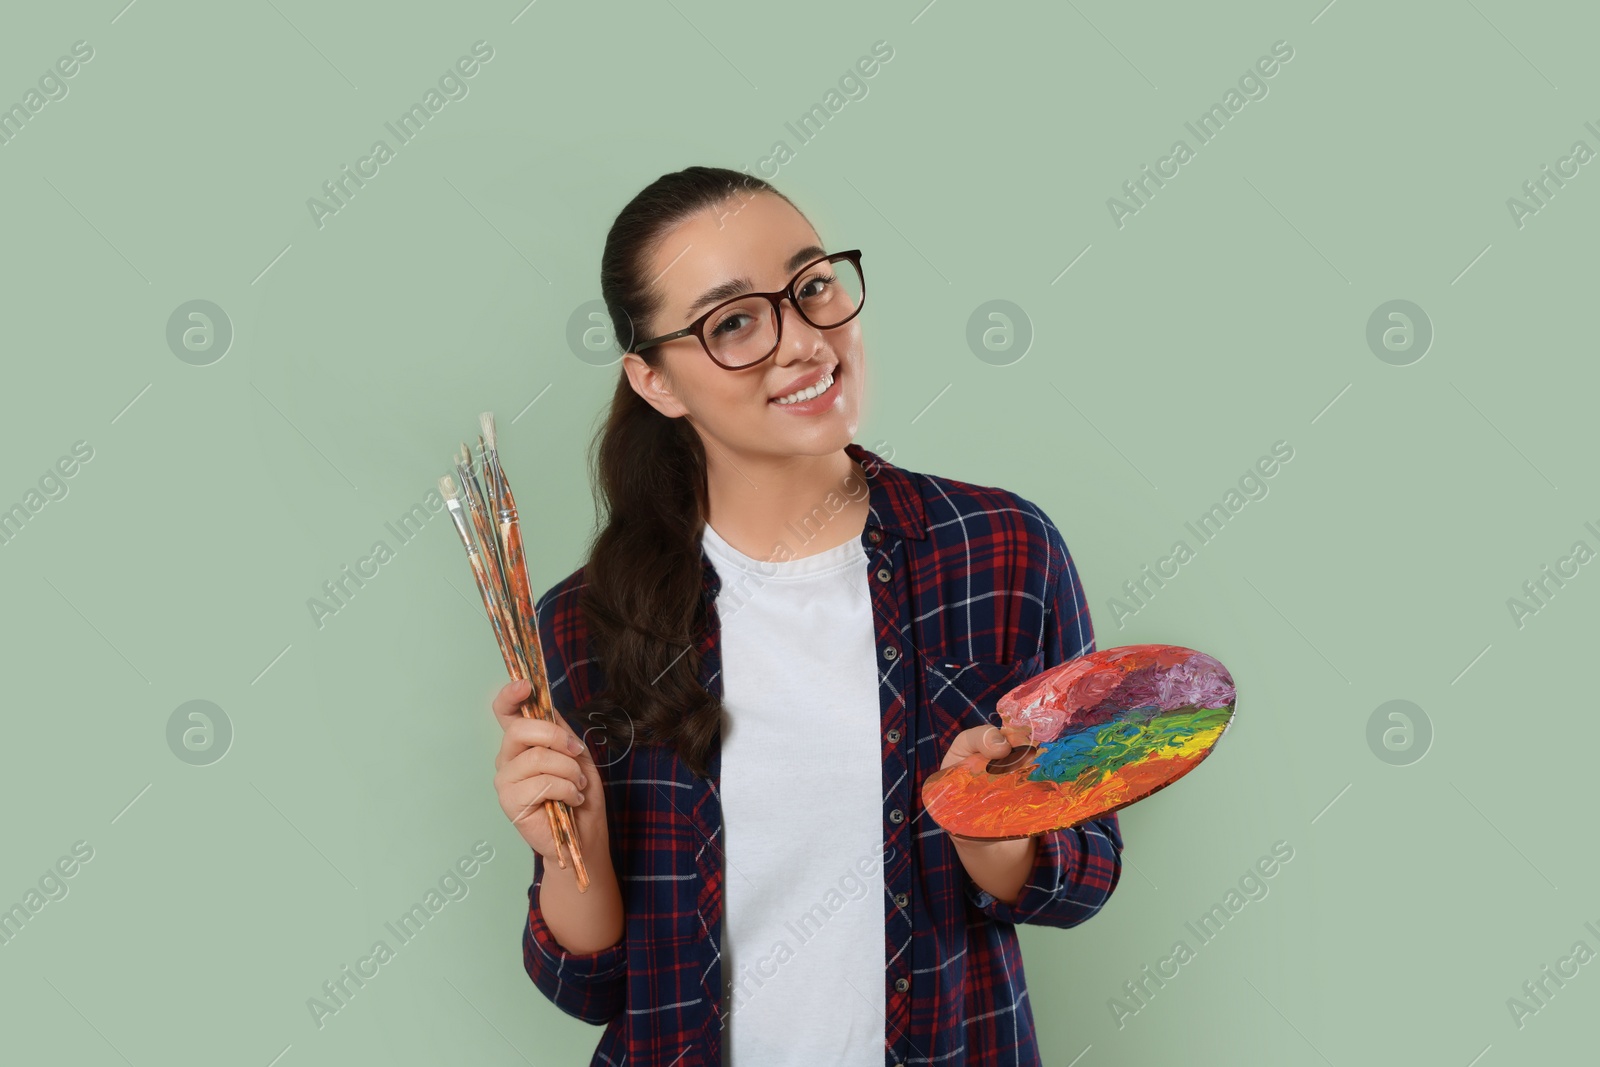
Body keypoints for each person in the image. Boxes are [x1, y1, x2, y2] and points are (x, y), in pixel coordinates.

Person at [489, 165, 1123, 1067]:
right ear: (655, 381)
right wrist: (571, 846)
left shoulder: (1001, 551)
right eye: (734, 321)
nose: (801, 341)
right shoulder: (585, 622)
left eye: (813, 285)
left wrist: (996, 829)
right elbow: (588, 985)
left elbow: (1085, 872)